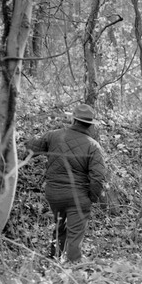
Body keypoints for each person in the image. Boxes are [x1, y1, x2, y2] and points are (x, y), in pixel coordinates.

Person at [25, 104, 107, 264]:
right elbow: (98, 176)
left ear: (73, 119)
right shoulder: (93, 146)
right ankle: (74, 268)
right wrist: (91, 197)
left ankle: (53, 261)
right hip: (78, 197)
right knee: (75, 235)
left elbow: (30, 149)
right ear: (90, 124)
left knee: (59, 226)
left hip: (54, 195)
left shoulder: (53, 135)